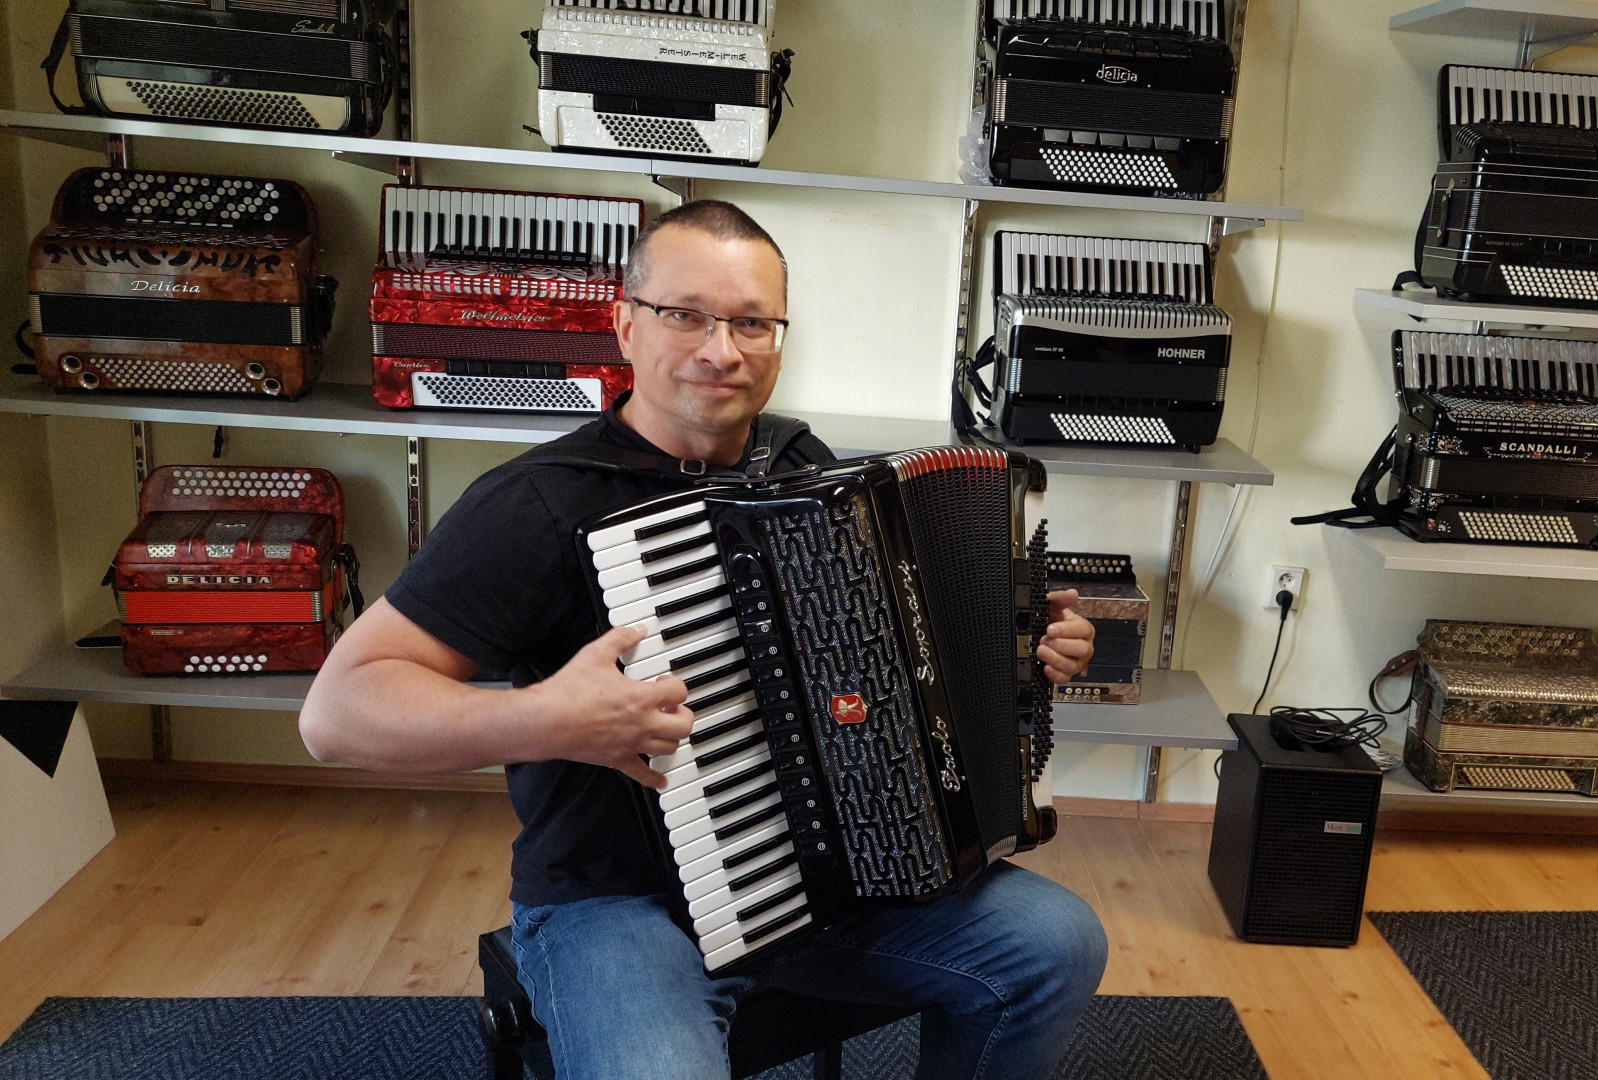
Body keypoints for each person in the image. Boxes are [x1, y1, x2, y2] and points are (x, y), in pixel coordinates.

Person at [300, 200, 1108, 1080]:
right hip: (617, 902)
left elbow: (886, 674)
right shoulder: (535, 505)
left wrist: (1016, 654)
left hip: (817, 878)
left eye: (752, 323)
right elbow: (338, 712)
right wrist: (550, 719)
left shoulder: (802, 472)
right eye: (685, 314)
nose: (722, 351)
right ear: (626, 326)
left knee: (1057, 943)